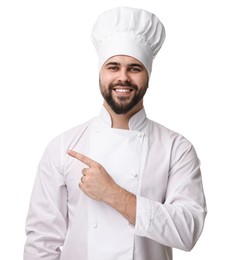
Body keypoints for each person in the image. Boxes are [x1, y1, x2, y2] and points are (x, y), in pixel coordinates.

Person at [24, 6, 207, 260]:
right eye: (113, 67)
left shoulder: (176, 148)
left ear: (148, 75)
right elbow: (42, 242)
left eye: (134, 68)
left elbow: (188, 230)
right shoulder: (62, 147)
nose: (123, 77)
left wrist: (112, 194)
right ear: (100, 72)